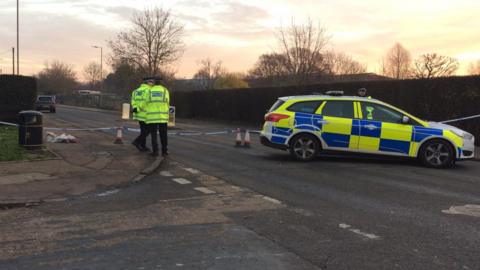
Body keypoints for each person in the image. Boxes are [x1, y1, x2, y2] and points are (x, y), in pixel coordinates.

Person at [144, 77, 170, 157]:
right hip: (162, 117)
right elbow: (167, 102)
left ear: (154, 83)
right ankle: (164, 151)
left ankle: (155, 152)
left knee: (153, 135)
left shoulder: (150, 91)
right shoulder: (165, 91)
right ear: (161, 83)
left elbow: (146, 102)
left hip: (152, 117)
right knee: (163, 134)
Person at [131, 77, 154, 151]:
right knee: (148, 130)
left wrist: (135, 108)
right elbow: (145, 101)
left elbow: (133, 101)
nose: (153, 84)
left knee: (143, 130)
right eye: (151, 82)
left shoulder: (136, 91)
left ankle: (143, 146)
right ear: (148, 83)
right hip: (146, 114)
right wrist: (139, 108)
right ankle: (137, 141)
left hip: (138, 114)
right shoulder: (148, 90)